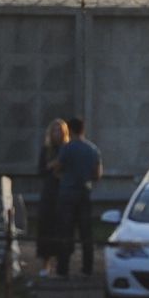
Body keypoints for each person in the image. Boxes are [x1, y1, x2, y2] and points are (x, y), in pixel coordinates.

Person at [54, 116, 103, 277]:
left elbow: (58, 168)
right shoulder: (93, 149)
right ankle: (87, 269)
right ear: (83, 130)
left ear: (71, 130)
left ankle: (63, 270)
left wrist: (65, 177)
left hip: (67, 194)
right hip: (84, 194)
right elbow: (98, 174)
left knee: (65, 233)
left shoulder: (67, 149)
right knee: (86, 233)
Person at [35, 119, 69, 277]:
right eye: (55, 130)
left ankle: (61, 264)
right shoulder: (46, 149)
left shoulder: (67, 149)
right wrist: (51, 166)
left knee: (61, 228)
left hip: (62, 192)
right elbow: (40, 170)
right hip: (49, 193)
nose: (57, 134)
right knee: (46, 226)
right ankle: (45, 263)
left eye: (60, 131)